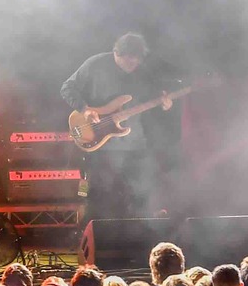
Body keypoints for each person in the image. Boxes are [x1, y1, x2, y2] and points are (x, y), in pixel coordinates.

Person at [60, 33, 182, 218]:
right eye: (129, 60)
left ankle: (142, 228)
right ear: (116, 53)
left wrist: (164, 102)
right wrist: (85, 109)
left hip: (135, 142)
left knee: (142, 191)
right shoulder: (95, 64)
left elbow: (154, 94)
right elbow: (67, 88)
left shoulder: (143, 71)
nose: (133, 65)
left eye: (137, 60)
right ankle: (96, 230)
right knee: (101, 194)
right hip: (100, 143)